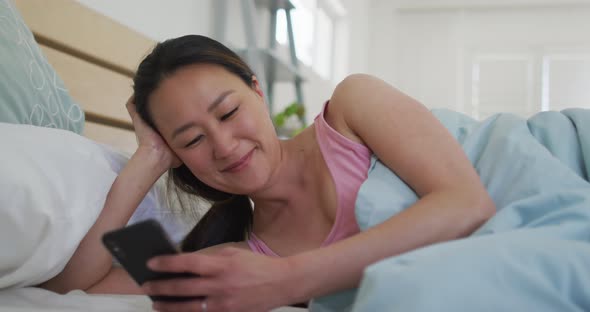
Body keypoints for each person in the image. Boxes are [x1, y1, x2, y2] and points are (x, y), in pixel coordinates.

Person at [38, 35, 496, 311]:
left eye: (229, 111)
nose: (224, 145)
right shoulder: (237, 255)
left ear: (256, 89)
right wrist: (149, 158)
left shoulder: (353, 106)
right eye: (191, 140)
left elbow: (469, 202)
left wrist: (290, 279)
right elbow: (77, 284)